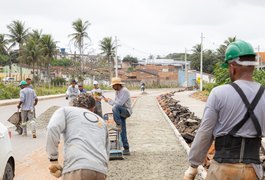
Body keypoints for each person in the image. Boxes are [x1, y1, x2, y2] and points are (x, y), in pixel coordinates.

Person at [183, 40, 265, 180]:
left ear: (232, 67)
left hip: (222, 170)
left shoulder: (218, 93)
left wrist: (193, 166)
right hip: (253, 171)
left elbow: (205, 132)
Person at [46, 93, 109, 180]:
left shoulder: (65, 111)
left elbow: (52, 128)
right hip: (100, 171)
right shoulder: (101, 121)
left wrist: (53, 160)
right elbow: (106, 150)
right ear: (93, 108)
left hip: (77, 168)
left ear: (73, 104)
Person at [103, 77, 132, 155]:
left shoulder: (124, 91)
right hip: (120, 112)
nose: (112, 87)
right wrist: (108, 101)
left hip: (126, 111)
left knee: (115, 107)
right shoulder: (117, 92)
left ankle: (118, 124)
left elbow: (118, 104)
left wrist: (110, 101)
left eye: (113, 86)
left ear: (117, 85)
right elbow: (115, 103)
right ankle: (126, 148)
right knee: (122, 130)